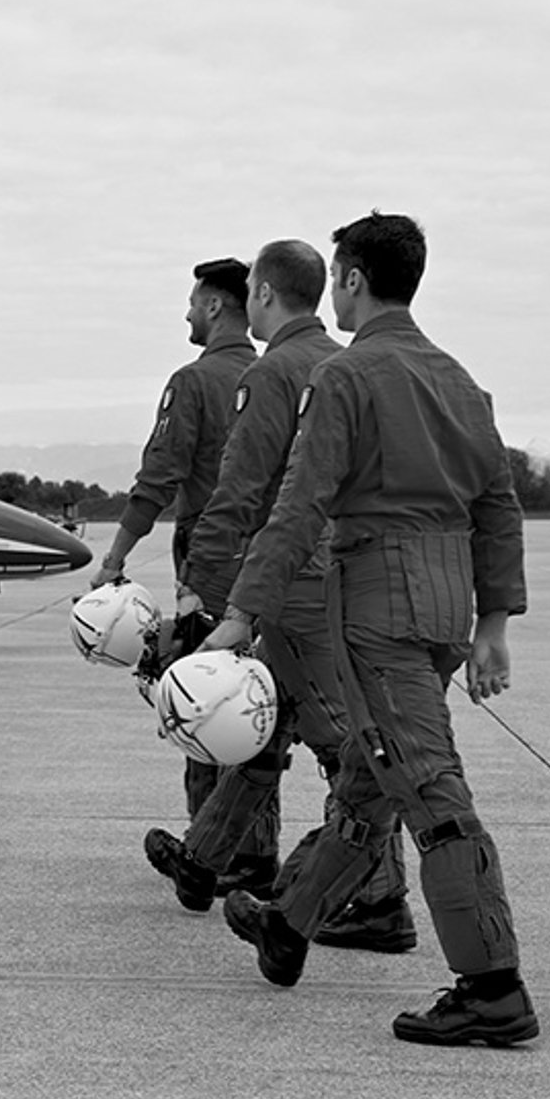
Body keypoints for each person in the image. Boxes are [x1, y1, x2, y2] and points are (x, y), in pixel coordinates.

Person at [202, 213, 535, 1047]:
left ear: (350, 280)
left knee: (426, 785)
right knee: (365, 775)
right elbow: (498, 504)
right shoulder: (461, 380)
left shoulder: (348, 377)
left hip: (378, 600)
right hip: (445, 603)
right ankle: (290, 927)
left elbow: (300, 503)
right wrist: (492, 622)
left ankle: (492, 985)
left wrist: (241, 612)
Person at [145, 239, 413, 951]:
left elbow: (239, 493)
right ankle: (207, 859)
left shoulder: (274, 375)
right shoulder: (348, 364)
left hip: (293, 584)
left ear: (263, 295)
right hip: (348, 576)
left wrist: (204, 596)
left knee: (340, 743)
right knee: (269, 724)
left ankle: (379, 896)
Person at [89, 257, 269, 882]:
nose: (188, 313)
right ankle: (255, 849)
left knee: (199, 693)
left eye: (194, 302)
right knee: (258, 695)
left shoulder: (193, 382)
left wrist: (114, 558)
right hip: (275, 555)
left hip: (211, 551)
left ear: (217, 306)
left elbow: (159, 476)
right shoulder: (274, 372)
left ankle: (214, 852)